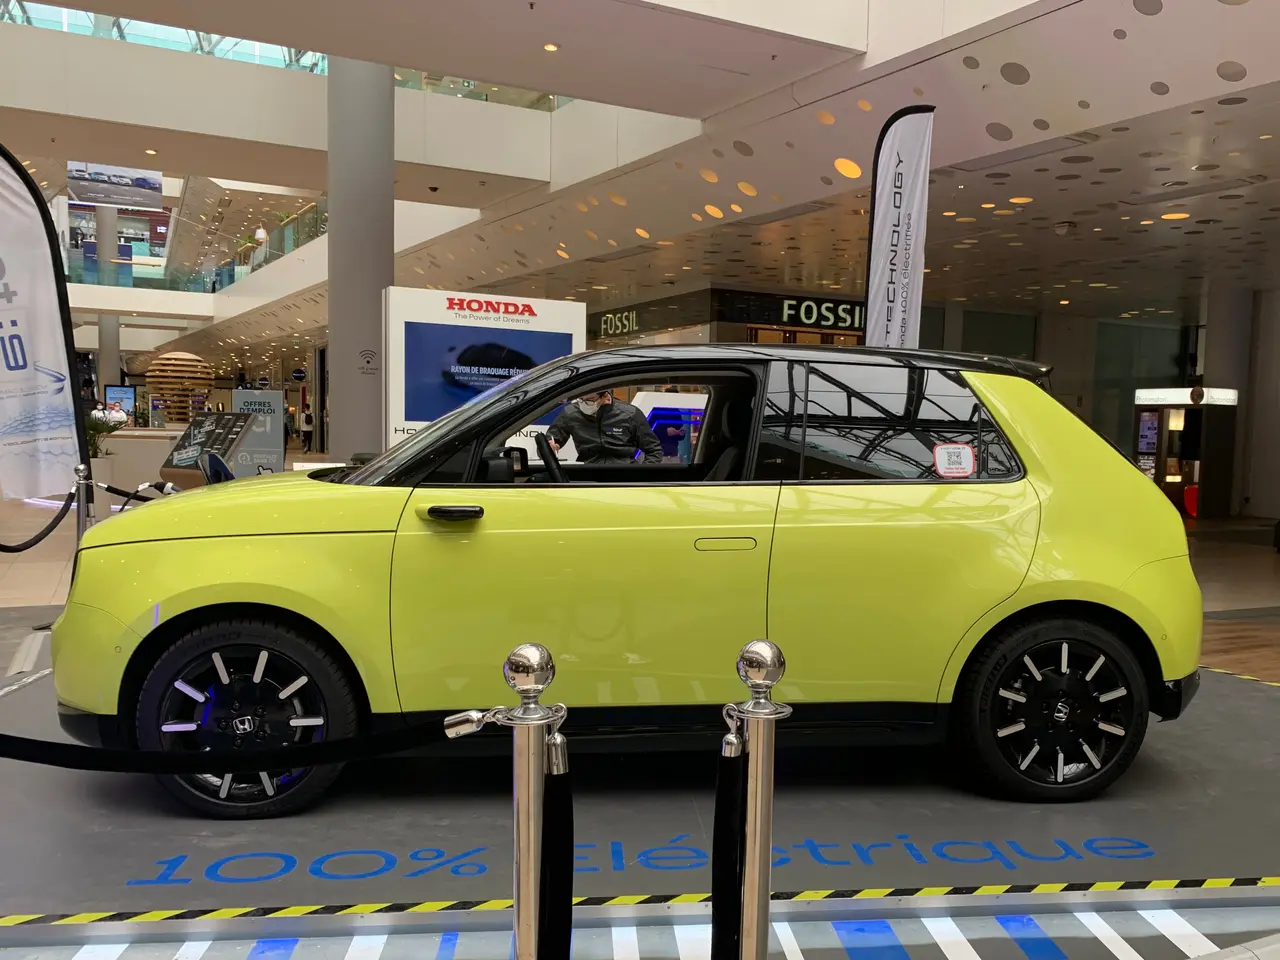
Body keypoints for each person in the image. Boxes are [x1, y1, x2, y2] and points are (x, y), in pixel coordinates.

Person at [545, 389, 663, 465]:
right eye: (581, 399)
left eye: (590, 400)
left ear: (605, 396)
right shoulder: (570, 413)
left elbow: (654, 450)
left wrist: (642, 477)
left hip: (625, 477)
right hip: (587, 476)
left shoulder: (630, 414)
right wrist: (549, 447)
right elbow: (547, 444)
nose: (584, 404)